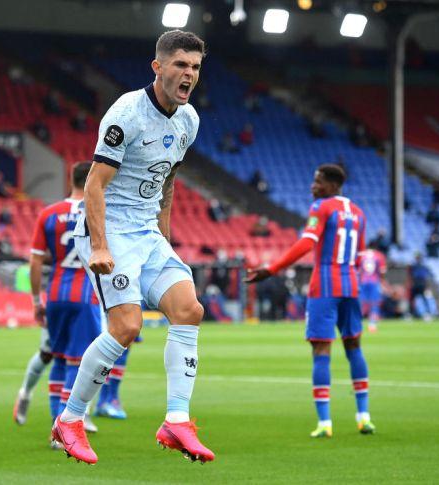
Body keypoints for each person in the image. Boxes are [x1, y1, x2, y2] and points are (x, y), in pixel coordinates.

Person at [51, 30, 214, 465]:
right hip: (112, 233)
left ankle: (176, 421)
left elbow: (168, 180)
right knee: (126, 326)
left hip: (147, 234)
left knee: (189, 310)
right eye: (180, 64)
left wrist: (164, 233)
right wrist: (101, 247)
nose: (189, 74)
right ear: (157, 67)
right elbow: (94, 184)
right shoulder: (126, 113)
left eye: (195, 67)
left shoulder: (188, 120)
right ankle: (69, 420)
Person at [246, 164, 375, 438]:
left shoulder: (322, 207)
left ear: (331, 185)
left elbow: (307, 243)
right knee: (354, 346)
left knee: (321, 351)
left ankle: (325, 423)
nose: (312, 187)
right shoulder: (360, 214)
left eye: (317, 182)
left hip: (325, 286)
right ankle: (363, 416)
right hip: (351, 286)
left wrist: (272, 268)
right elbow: (362, 257)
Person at [12, 163, 102, 443]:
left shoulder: (49, 213)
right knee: (79, 362)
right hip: (85, 295)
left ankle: (55, 428)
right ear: (91, 179)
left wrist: (36, 300)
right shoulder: (99, 210)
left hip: (56, 294)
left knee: (57, 358)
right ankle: (68, 425)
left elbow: (36, 260)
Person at [359, 243, 387, 332]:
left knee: (361, 303)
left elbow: (358, 270)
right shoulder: (379, 255)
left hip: (362, 282)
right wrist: (382, 281)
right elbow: (382, 271)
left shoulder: (361, 255)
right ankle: (372, 324)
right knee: (374, 303)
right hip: (374, 282)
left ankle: (358, 324)